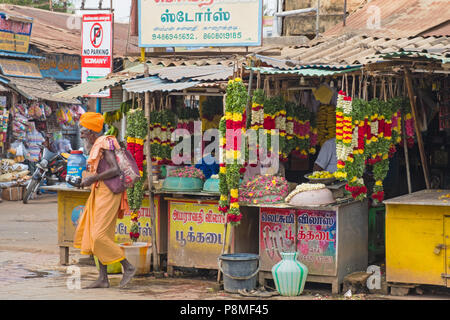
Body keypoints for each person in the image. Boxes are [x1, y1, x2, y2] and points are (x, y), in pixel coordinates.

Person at [73, 112, 136, 289]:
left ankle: (128, 267)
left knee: (99, 237)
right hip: (99, 192)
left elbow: (115, 170)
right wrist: (89, 180)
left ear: (92, 131)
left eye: (83, 132)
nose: (82, 135)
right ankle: (103, 278)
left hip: (108, 193)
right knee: (97, 236)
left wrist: (92, 179)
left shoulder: (104, 142)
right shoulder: (97, 144)